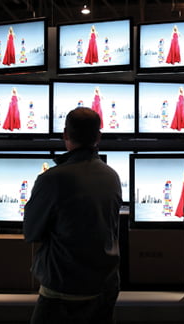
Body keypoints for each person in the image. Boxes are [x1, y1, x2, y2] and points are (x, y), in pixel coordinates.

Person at [24, 107, 122, 324]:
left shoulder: (51, 179)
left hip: (63, 287)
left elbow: (31, 233)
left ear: (65, 135)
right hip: (104, 286)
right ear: (98, 137)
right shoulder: (112, 176)